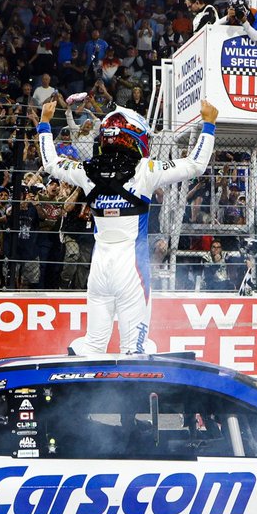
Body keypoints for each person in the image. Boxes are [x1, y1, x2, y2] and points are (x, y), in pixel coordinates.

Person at [37, 98, 219, 355]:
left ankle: (80, 388)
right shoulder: (146, 170)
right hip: (132, 272)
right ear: (136, 136)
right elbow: (195, 165)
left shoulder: (86, 170)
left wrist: (44, 123)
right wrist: (209, 125)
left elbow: (51, 164)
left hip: (99, 269)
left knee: (93, 345)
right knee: (136, 349)